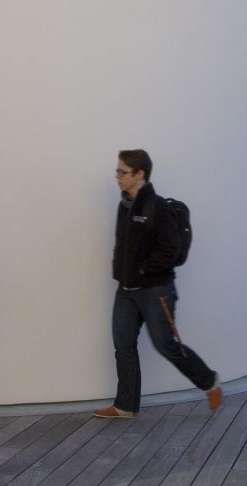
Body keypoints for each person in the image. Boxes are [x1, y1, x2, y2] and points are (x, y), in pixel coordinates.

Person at [94, 149, 223, 420]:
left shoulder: (158, 207)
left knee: (166, 346)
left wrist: (142, 269)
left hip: (156, 291)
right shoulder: (124, 205)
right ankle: (126, 406)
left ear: (139, 174)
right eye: (117, 171)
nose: (117, 177)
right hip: (126, 291)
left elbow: (170, 251)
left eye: (122, 172)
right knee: (123, 346)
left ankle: (209, 381)